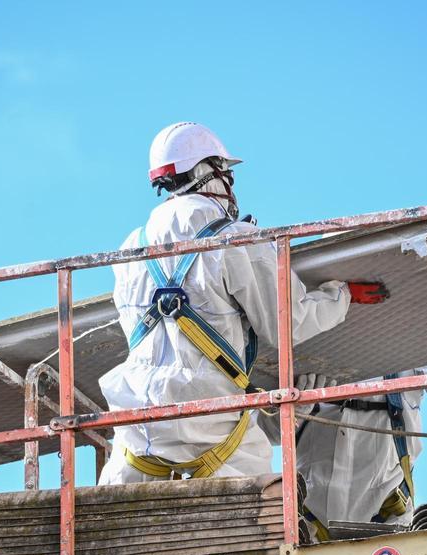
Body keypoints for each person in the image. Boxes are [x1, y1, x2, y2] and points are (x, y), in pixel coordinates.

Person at [97, 122, 388, 484]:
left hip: (136, 429)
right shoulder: (233, 239)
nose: (229, 183)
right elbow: (288, 323)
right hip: (210, 424)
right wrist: (341, 296)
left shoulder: (129, 250)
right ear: (204, 171)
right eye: (223, 172)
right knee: (260, 516)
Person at [293, 362, 427, 540]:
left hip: (386, 518)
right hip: (305, 521)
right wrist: (290, 410)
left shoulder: (409, 342)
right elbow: (269, 430)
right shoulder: (308, 339)